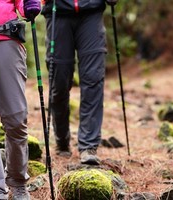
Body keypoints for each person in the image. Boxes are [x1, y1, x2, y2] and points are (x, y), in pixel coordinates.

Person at [41, 0, 118, 165]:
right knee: (59, 83)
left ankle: (88, 146)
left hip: (92, 13)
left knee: (93, 79)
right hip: (57, 12)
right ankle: (62, 139)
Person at [0, 0, 40, 199]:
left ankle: (17, 181)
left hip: (6, 37)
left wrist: (30, 4)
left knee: (15, 118)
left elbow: (25, 5)